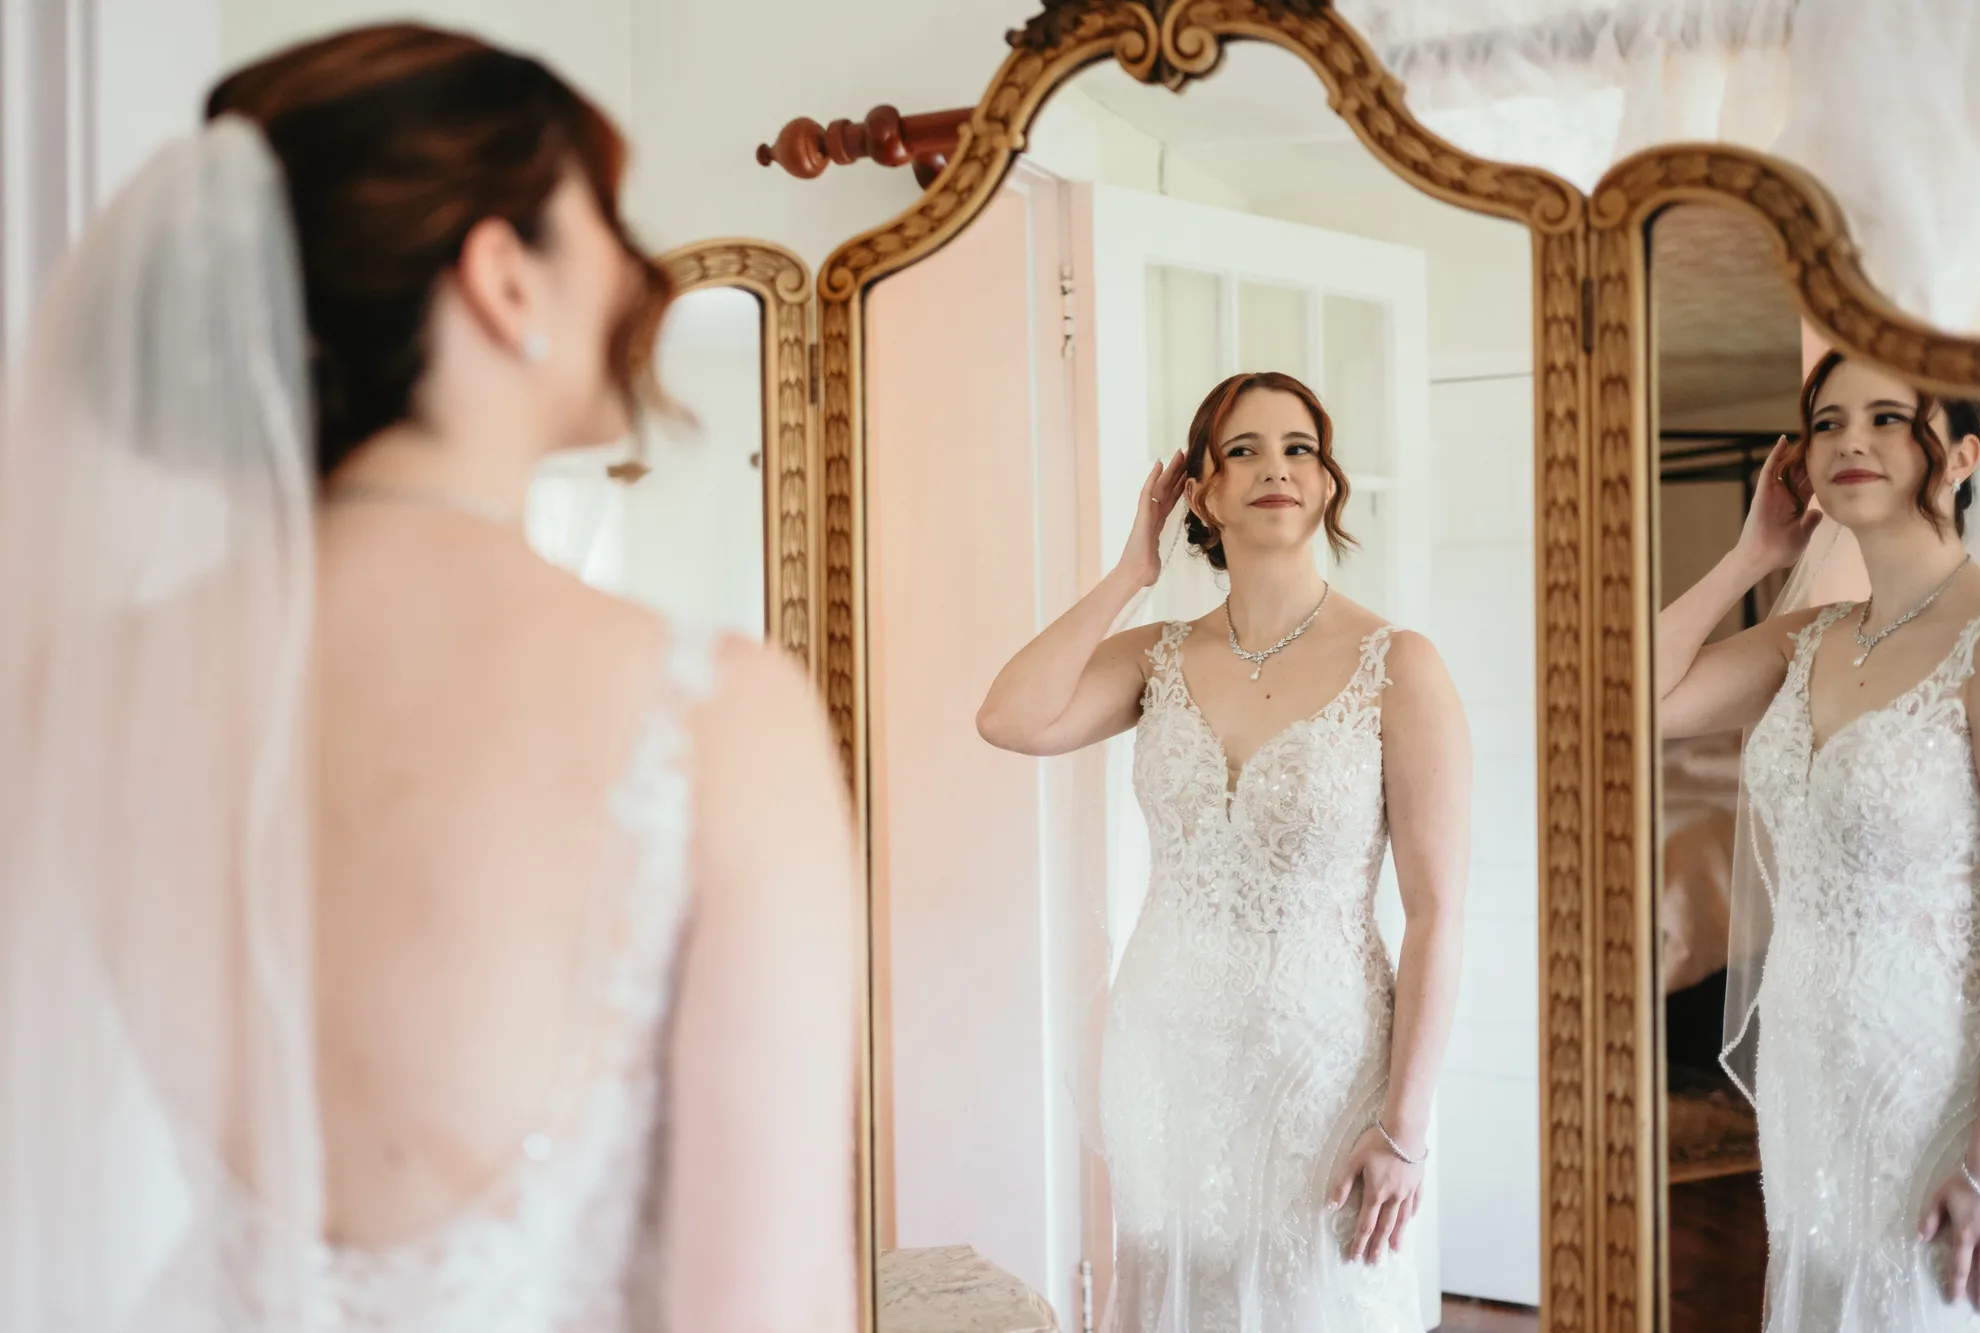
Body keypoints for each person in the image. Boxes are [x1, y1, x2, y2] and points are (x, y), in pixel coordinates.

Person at [0, 25, 857, 1333]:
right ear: (502, 278)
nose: (641, 271)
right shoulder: (716, 714)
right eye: (608, 220)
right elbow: (766, 1308)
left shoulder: (89, 692)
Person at [978, 371, 1469, 1332]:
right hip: (1166, 1062)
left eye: (1298, 448)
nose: (1275, 468)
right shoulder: (1157, 657)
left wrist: (1405, 1126)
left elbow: (1438, 912)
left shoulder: (1399, 664)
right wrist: (1130, 572)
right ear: (1200, 495)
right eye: (1242, 450)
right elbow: (1010, 716)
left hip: (1326, 1070)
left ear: (1326, 484)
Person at [1657, 349, 1980, 1329]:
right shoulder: (1805, 637)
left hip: (1936, 1081)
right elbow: (1627, 697)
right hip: (1806, 1068)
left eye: (1888, 417)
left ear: (1962, 454)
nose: (1850, 439)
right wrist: (1748, 560)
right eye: (1825, 422)